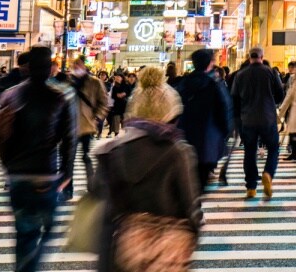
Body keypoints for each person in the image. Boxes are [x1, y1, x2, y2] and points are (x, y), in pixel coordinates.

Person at [92, 65, 201, 272]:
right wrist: (193, 232)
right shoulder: (178, 152)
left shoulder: (114, 149)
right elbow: (190, 206)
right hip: (166, 251)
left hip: (126, 247)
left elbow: (99, 195)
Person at [0, 46, 75, 272]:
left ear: (27, 68)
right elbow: (69, 138)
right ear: (49, 69)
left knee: (24, 233)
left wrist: (8, 166)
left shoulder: (10, 95)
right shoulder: (61, 96)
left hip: (18, 174)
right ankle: (32, 267)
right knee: (48, 231)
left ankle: (25, 268)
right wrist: (67, 174)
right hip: (46, 173)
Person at [174, 48, 234, 191]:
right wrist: (226, 131)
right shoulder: (214, 83)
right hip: (208, 137)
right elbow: (224, 108)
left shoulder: (184, 82)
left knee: (189, 177)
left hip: (186, 135)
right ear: (209, 63)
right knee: (201, 178)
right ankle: (194, 207)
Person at [230, 47, 285, 199]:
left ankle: (251, 187)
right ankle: (268, 173)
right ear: (262, 56)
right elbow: (280, 94)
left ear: (249, 57)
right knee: (273, 148)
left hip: (247, 119)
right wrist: (271, 101)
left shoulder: (240, 75)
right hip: (267, 118)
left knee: (250, 152)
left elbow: (234, 98)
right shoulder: (270, 72)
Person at [64, 57, 109, 199]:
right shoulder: (67, 82)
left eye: (78, 64)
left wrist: (97, 118)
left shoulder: (94, 83)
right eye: (74, 64)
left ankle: (92, 187)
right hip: (68, 127)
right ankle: (67, 190)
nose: (76, 66)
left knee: (86, 157)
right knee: (67, 160)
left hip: (87, 125)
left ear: (84, 66)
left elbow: (104, 102)